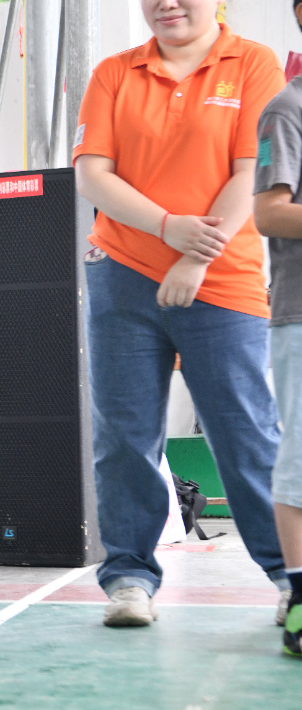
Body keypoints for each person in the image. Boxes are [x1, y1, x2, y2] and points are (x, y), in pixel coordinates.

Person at [74, 0, 287, 627]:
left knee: (247, 434)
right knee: (124, 436)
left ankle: (290, 576)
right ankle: (129, 577)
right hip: (122, 275)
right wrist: (168, 228)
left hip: (221, 279)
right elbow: (92, 174)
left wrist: (194, 258)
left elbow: (251, 172)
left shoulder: (253, 63)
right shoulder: (115, 73)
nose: (166, 2)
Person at [251, 0, 302, 657]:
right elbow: (268, 213)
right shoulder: (286, 111)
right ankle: (299, 597)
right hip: (300, 314)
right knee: (301, 462)